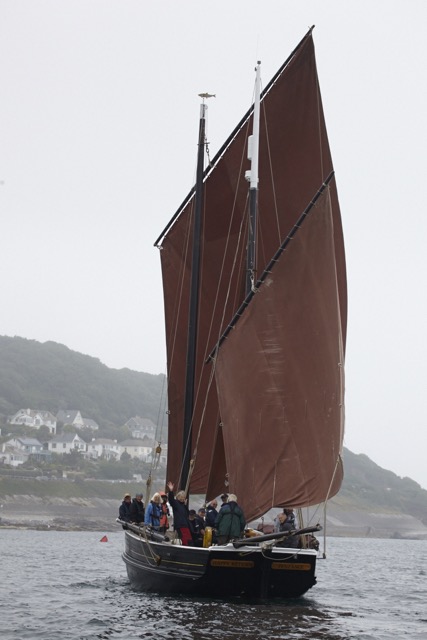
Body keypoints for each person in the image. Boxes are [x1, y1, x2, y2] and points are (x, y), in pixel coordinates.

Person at [167, 481, 192, 546]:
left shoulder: (183, 506)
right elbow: (171, 500)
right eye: (181, 496)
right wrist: (171, 490)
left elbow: (187, 514)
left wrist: (185, 505)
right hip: (180, 525)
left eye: (183, 497)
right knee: (185, 539)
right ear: (178, 497)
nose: (182, 498)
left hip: (185, 525)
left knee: (189, 539)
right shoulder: (176, 503)